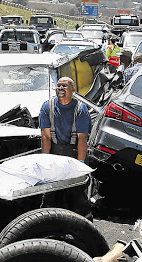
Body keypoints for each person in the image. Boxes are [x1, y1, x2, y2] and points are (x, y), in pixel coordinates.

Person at [38, 77, 92, 220]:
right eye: (59, 86)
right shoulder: (47, 107)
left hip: (73, 154)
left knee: (76, 196)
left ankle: (84, 228)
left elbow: (82, 138)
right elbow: (46, 137)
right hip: (55, 154)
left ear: (73, 91)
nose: (61, 88)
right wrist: (45, 160)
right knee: (51, 195)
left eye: (65, 86)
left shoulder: (80, 109)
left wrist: (80, 164)